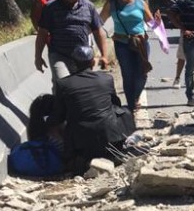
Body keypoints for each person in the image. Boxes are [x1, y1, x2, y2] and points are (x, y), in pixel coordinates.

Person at [47, 45, 135, 175]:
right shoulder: (106, 78)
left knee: (57, 124)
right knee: (125, 111)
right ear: (93, 61)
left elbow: (59, 114)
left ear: (73, 63)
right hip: (109, 136)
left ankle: (74, 157)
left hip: (80, 140)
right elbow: (115, 104)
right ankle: (118, 148)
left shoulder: (63, 84)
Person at [35, 0, 109, 84]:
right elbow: (42, 33)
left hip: (83, 56)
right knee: (62, 83)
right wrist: (38, 56)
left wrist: (104, 55)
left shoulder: (88, 7)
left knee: (83, 87)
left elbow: (98, 31)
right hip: (59, 54)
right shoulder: (50, 8)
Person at [100, 0, 158, 113]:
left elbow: (151, 23)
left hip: (141, 43)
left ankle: (136, 97)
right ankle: (131, 104)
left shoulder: (140, 4)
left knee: (142, 73)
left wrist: (158, 22)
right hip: (122, 44)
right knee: (127, 74)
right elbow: (98, 22)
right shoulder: (112, 5)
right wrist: (107, 35)